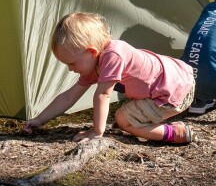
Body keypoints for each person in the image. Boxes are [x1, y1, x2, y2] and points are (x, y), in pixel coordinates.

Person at [23, 12, 195, 145]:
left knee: (123, 119)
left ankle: (175, 133)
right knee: (126, 114)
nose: (70, 69)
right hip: (171, 81)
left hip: (173, 90)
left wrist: (96, 132)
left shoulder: (113, 54)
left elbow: (103, 95)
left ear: (91, 52)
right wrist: (40, 119)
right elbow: (69, 96)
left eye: (72, 63)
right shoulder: (93, 62)